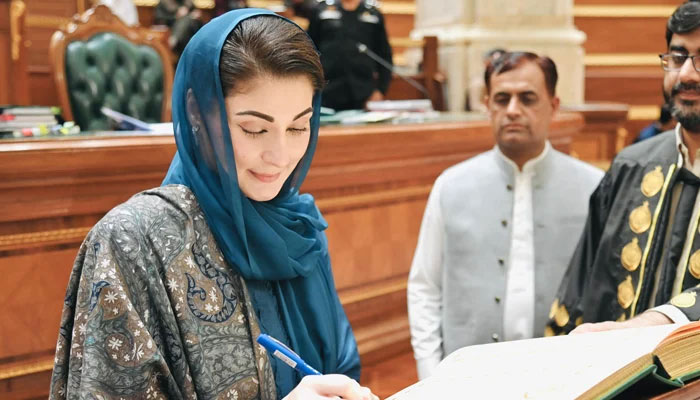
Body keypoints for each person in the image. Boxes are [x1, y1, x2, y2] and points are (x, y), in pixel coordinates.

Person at [49, 9, 379, 400]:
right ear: (196, 112)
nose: (280, 154)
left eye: (298, 127)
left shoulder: (299, 227)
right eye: (254, 129)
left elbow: (341, 368)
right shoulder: (131, 243)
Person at [407, 51, 604, 380]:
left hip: (565, 378)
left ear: (553, 106)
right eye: (502, 99)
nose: (513, 110)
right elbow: (425, 288)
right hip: (466, 382)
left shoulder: (594, 188)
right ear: (487, 105)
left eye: (528, 98)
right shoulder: (451, 186)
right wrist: (432, 378)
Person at [547, 1, 700, 336]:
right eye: (677, 58)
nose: (686, 74)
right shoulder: (631, 164)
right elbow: (579, 287)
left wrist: (654, 323)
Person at [306, 0, 393, 110]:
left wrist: (381, 90)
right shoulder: (321, 10)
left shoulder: (372, 13)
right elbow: (308, 50)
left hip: (363, 93)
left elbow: (384, 55)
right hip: (327, 91)